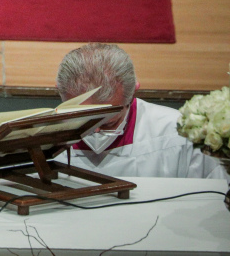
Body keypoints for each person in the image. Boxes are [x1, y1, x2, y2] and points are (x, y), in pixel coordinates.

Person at [56, 42, 228, 180]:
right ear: (60, 93)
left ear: (133, 93)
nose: (96, 131)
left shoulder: (177, 133)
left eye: (108, 122)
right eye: (83, 119)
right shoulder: (43, 137)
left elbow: (211, 195)